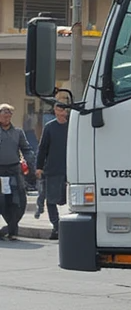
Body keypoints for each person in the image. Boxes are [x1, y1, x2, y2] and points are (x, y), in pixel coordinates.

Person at [35, 97, 70, 240]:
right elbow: (42, 148)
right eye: (58, 109)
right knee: (51, 200)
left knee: (68, 200)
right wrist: (39, 166)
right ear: (55, 110)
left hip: (70, 169)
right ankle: (56, 226)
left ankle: (68, 226)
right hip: (53, 169)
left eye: (63, 109)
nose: (61, 112)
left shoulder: (73, 125)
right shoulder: (49, 127)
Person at [0, 103, 34, 241]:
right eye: (4, 114)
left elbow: (26, 149)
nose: (7, 117)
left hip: (14, 170)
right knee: (2, 202)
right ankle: (9, 229)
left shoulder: (18, 132)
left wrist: (31, 162)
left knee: (19, 201)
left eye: (9, 114)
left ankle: (11, 229)